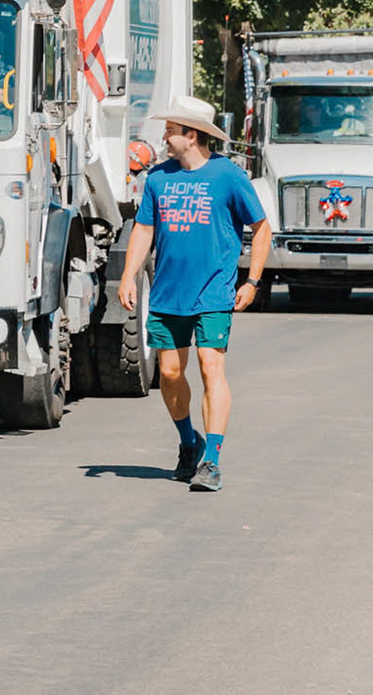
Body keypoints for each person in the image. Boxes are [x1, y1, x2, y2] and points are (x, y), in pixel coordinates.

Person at [116, 95, 272, 494]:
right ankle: (189, 442)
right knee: (169, 373)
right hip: (169, 293)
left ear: (192, 134)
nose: (164, 136)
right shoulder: (158, 178)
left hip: (214, 292)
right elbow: (145, 230)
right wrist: (128, 276)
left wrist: (251, 281)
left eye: (170, 130)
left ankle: (213, 462)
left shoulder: (228, 176)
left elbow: (261, 228)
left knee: (209, 367)